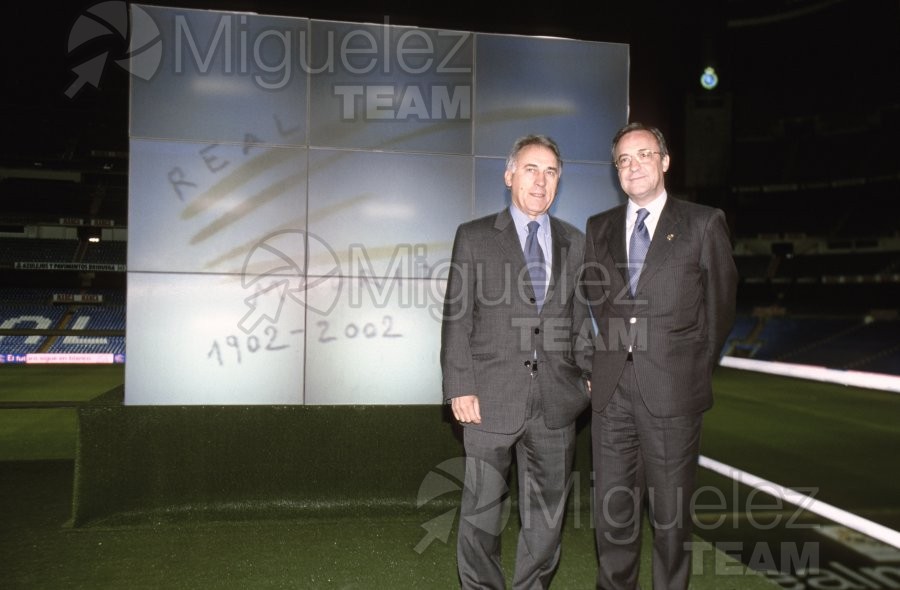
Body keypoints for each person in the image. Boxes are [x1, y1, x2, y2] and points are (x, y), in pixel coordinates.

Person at [582, 122, 738, 589]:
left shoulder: (703, 223)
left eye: (644, 155)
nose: (634, 166)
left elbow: (720, 307)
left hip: (674, 393)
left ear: (665, 161)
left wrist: (690, 370)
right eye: (624, 161)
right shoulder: (599, 227)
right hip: (611, 397)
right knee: (612, 518)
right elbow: (595, 301)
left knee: (670, 521)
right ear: (617, 172)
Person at [441, 134, 592, 589]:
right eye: (530, 169)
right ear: (509, 176)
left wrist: (586, 378)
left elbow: (580, 318)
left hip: (556, 403)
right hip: (487, 398)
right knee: (482, 513)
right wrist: (459, 385)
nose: (540, 181)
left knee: (547, 517)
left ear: (558, 181)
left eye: (550, 172)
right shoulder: (474, 236)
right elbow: (456, 316)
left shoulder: (576, 242)